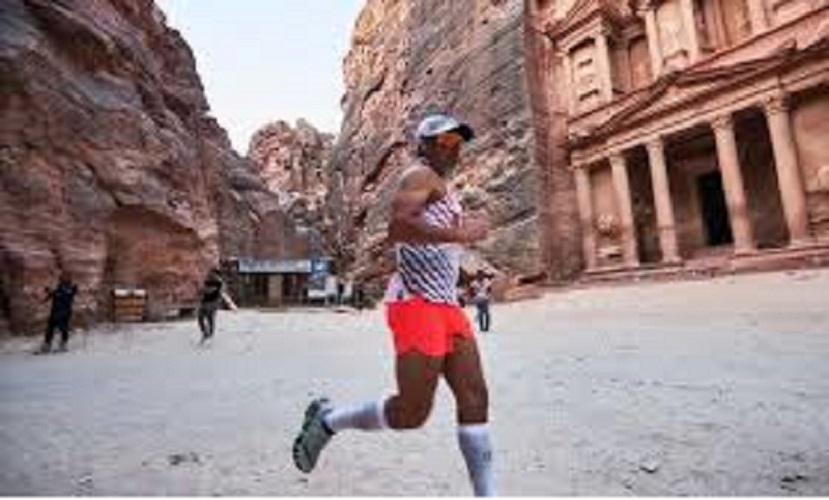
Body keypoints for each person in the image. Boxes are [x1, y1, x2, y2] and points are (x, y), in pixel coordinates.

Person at [292, 113, 496, 496]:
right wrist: (461, 234)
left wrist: (464, 232)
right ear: (425, 145)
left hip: (447, 306)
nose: (454, 149)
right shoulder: (418, 176)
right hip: (416, 304)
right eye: (445, 141)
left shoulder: (444, 188)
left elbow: (437, 239)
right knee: (412, 412)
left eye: (458, 142)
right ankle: (329, 420)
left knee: (475, 398)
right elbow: (399, 227)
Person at [38, 272, 78, 354]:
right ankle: (47, 344)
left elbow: (66, 295)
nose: (64, 279)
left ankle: (63, 344)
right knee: (50, 328)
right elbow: (52, 294)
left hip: (64, 312)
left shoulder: (70, 288)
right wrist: (46, 296)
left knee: (63, 328)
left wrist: (52, 293)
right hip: (55, 311)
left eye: (66, 277)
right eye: (62, 277)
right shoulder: (59, 287)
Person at [197, 268, 235, 344]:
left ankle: (210, 333)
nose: (211, 275)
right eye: (210, 273)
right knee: (200, 317)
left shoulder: (218, 283)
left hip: (212, 302)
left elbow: (213, 291)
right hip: (204, 301)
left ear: (216, 275)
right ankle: (205, 332)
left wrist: (206, 290)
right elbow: (203, 290)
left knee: (209, 317)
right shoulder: (207, 281)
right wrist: (202, 291)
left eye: (213, 274)